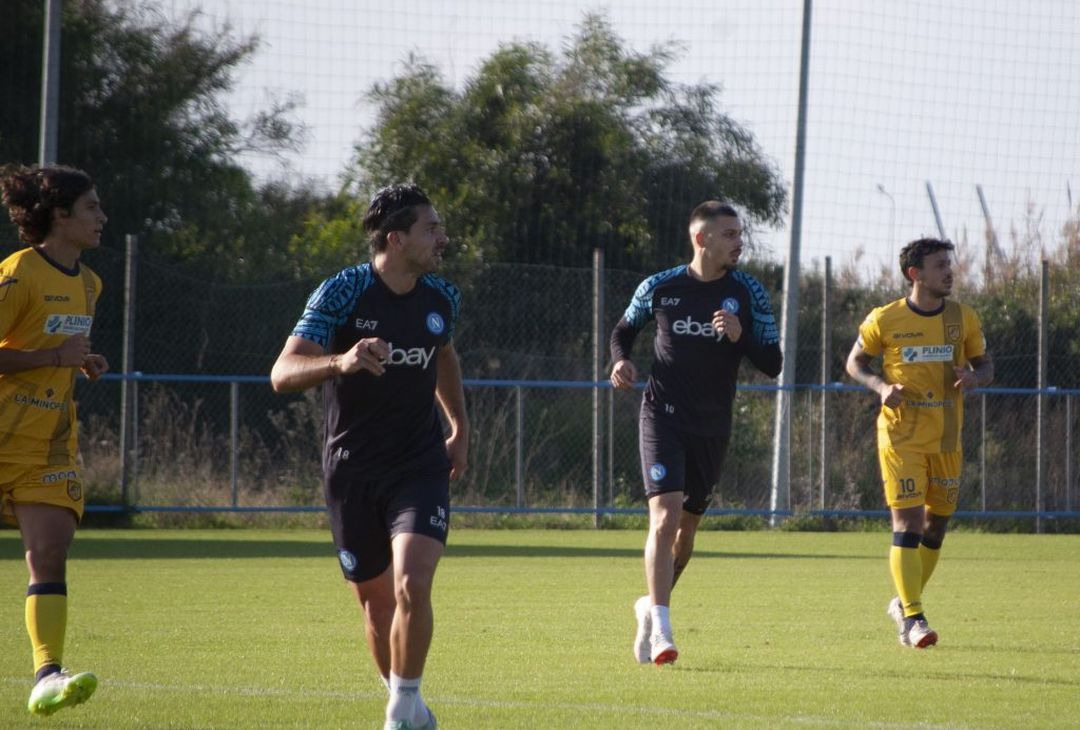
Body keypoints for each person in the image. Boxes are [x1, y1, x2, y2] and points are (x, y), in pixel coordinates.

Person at [271, 183, 467, 730]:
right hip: (353, 467)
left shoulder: (441, 297)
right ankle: (408, 704)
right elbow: (281, 374)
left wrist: (459, 427)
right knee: (378, 606)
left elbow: (444, 355)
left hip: (420, 464)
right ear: (396, 238)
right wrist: (341, 361)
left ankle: (401, 708)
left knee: (413, 584)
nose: (442, 239)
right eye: (431, 229)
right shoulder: (344, 292)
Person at [610, 201, 782, 665]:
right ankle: (664, 629)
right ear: (702, 239)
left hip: (713, 424)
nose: (738, 241)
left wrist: (741, 335)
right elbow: (623, 330)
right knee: (664, 516)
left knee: (686, 530)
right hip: (661, 415)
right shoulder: (660, 287)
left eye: (739, 233)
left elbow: (774, 363)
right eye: (729, 234)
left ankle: (649, 607)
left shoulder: (748, 292)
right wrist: (621, 360)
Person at [845, 238, 992, 649]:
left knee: (936, 525)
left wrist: (976, 377)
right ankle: (913, 617)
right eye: (940, 265)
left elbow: (986, 364)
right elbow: (854, 362)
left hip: (946, 438)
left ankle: (903, 602)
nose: (949, 271)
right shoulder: (885, 318)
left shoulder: (963, 318)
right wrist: (879, 385)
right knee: (906, 523)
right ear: (916, 274)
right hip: (900, 437)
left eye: (950, 264)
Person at [0, 164, 109, 715]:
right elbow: (33, 350)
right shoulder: (18, 273)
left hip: (48, 448)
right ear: (59, 216)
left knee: (48, 553)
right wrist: (51, 358)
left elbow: (59, 349)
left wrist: (79, 363)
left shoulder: (90, 284)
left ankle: (46, 673)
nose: (101, 217)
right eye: (91, 207)